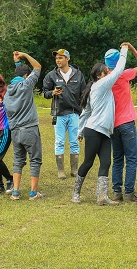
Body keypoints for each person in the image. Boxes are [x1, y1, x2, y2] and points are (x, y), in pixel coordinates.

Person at [72, 44, 129, 205]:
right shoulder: (102, 85)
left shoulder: (97, 87)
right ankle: (75, 193)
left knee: (106, 162)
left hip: (104, 132)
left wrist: (79, 132)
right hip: (94, 130)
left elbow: (86, 112)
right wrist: (124, 50)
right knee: (88, 162)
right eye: (106, 71)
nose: (109, 73)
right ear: (99, 75)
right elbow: (118, 70)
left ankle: (102, 197)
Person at [107, 43, 137, 202]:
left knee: (117, 158)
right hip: (127, 122)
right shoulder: (124, 74)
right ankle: (129, 192)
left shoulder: (105, 77)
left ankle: (117, 192)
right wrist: (132, 49)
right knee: (131, 158)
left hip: (112, 124)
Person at [3, 51, 43, 200]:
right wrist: (25, 55)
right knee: (35, 159)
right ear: (27, 76)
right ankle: (33, 193)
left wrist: (17, 63)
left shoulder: (7, 92)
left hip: (15, 131)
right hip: (29, 129)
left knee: (18, 160)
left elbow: (21, 74)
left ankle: (16, 192)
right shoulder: (26, 85)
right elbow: (37, 67)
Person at [42, 49, 86, 180]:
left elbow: (84, 94)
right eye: (56, 58)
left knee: (74, 141)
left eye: (60, 58)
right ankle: (61, 170)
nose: (58, 60)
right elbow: (45, 92)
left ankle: (74, 169)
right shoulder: (51, 75)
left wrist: (83, 110)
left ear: (67, 59)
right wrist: (52, 93)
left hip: (74, 113)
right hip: (59, 113)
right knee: (59, 141)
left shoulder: (78, 74)